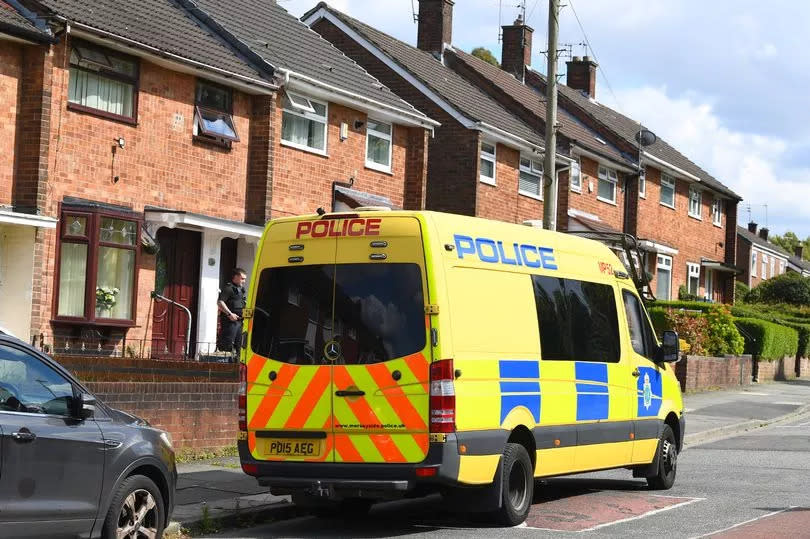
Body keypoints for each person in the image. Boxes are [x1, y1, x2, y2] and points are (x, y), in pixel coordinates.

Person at [217, 268, 247, 359]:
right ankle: (224, 364)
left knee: (239, 345)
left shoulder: (241, 289)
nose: (244, 281)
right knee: (227, 344)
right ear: (235, 277)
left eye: (244, 279)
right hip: (230, 322)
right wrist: (229, 314)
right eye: (242, 278)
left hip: (239, 322)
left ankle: (236, 365)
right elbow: (220, 302)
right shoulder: (228, 288)